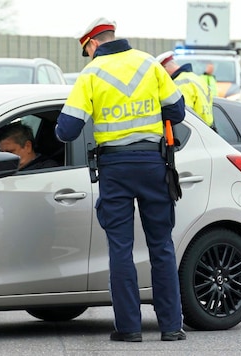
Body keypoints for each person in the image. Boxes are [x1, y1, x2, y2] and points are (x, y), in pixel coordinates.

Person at [54, 17, 187, 343]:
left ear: (94, 43)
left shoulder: (91, 74)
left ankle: (129, 328)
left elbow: (66, 130)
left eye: (87, 50)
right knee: (162, 246)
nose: (88, 56)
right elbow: (178, 111)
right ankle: (171, 326)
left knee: (121, 249)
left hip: (115, 169)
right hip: (153, 164)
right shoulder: (148, 64)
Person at [156, 51, 214, 129]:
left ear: (164, 68)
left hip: (194, 130)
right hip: (207, 128)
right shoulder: (196, 78)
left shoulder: (179, 83)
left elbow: (184, 115)